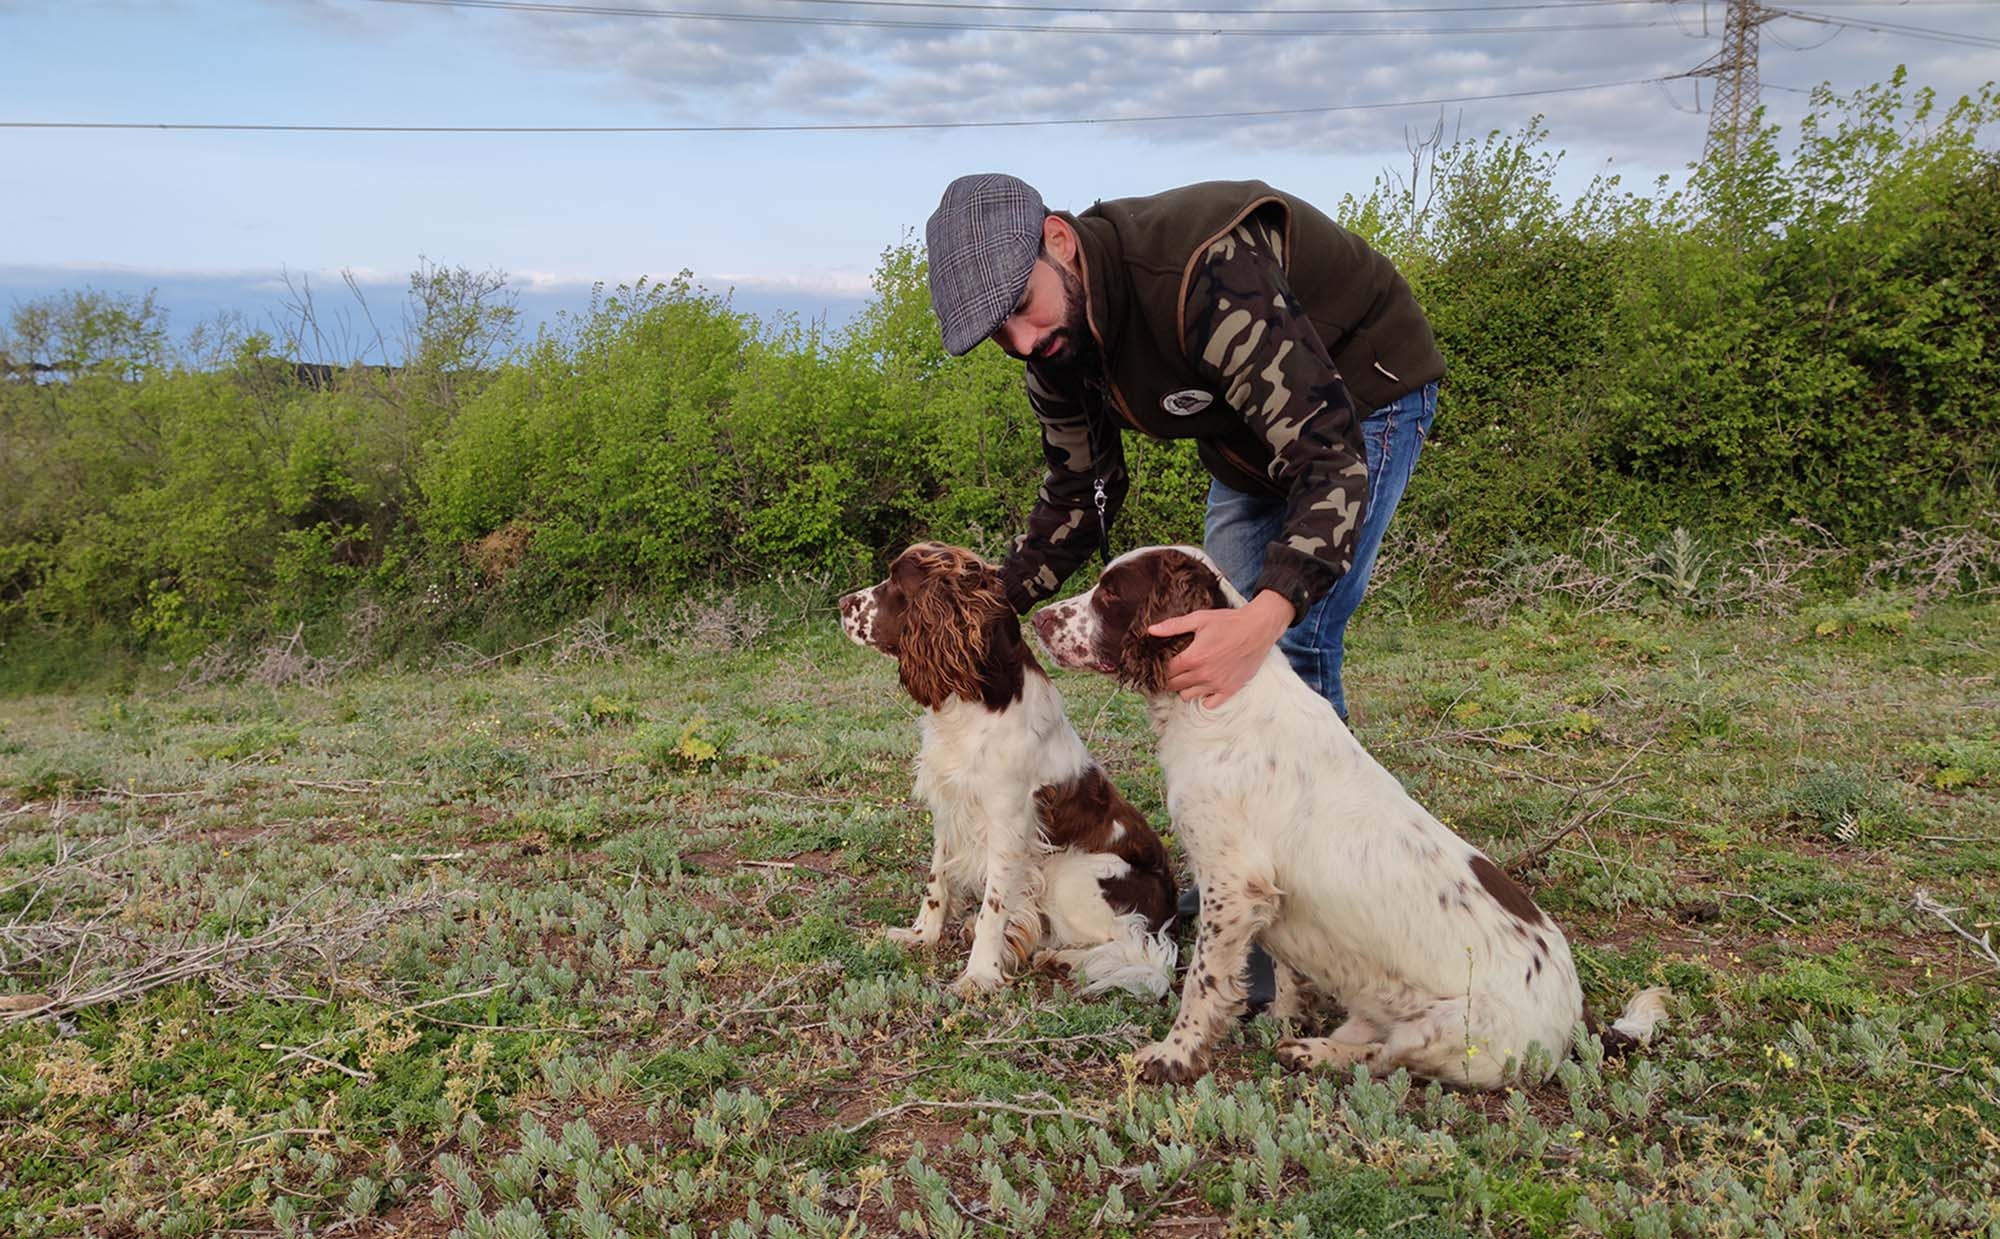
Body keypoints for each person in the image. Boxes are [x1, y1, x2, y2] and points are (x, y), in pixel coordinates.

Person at [925, 173, 1443, 721]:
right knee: (1210, 636)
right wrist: (986, 609)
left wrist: (1266, 615)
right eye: (999, 335)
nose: (1023, 341)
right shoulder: (1054, 350)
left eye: (1023, 303)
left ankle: (1316, 806)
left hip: (1364, 394)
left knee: (1282, 639)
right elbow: (1079, 493)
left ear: (1059, 240)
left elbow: (1329, 460)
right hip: (1245, 433)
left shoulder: (1206, 276)